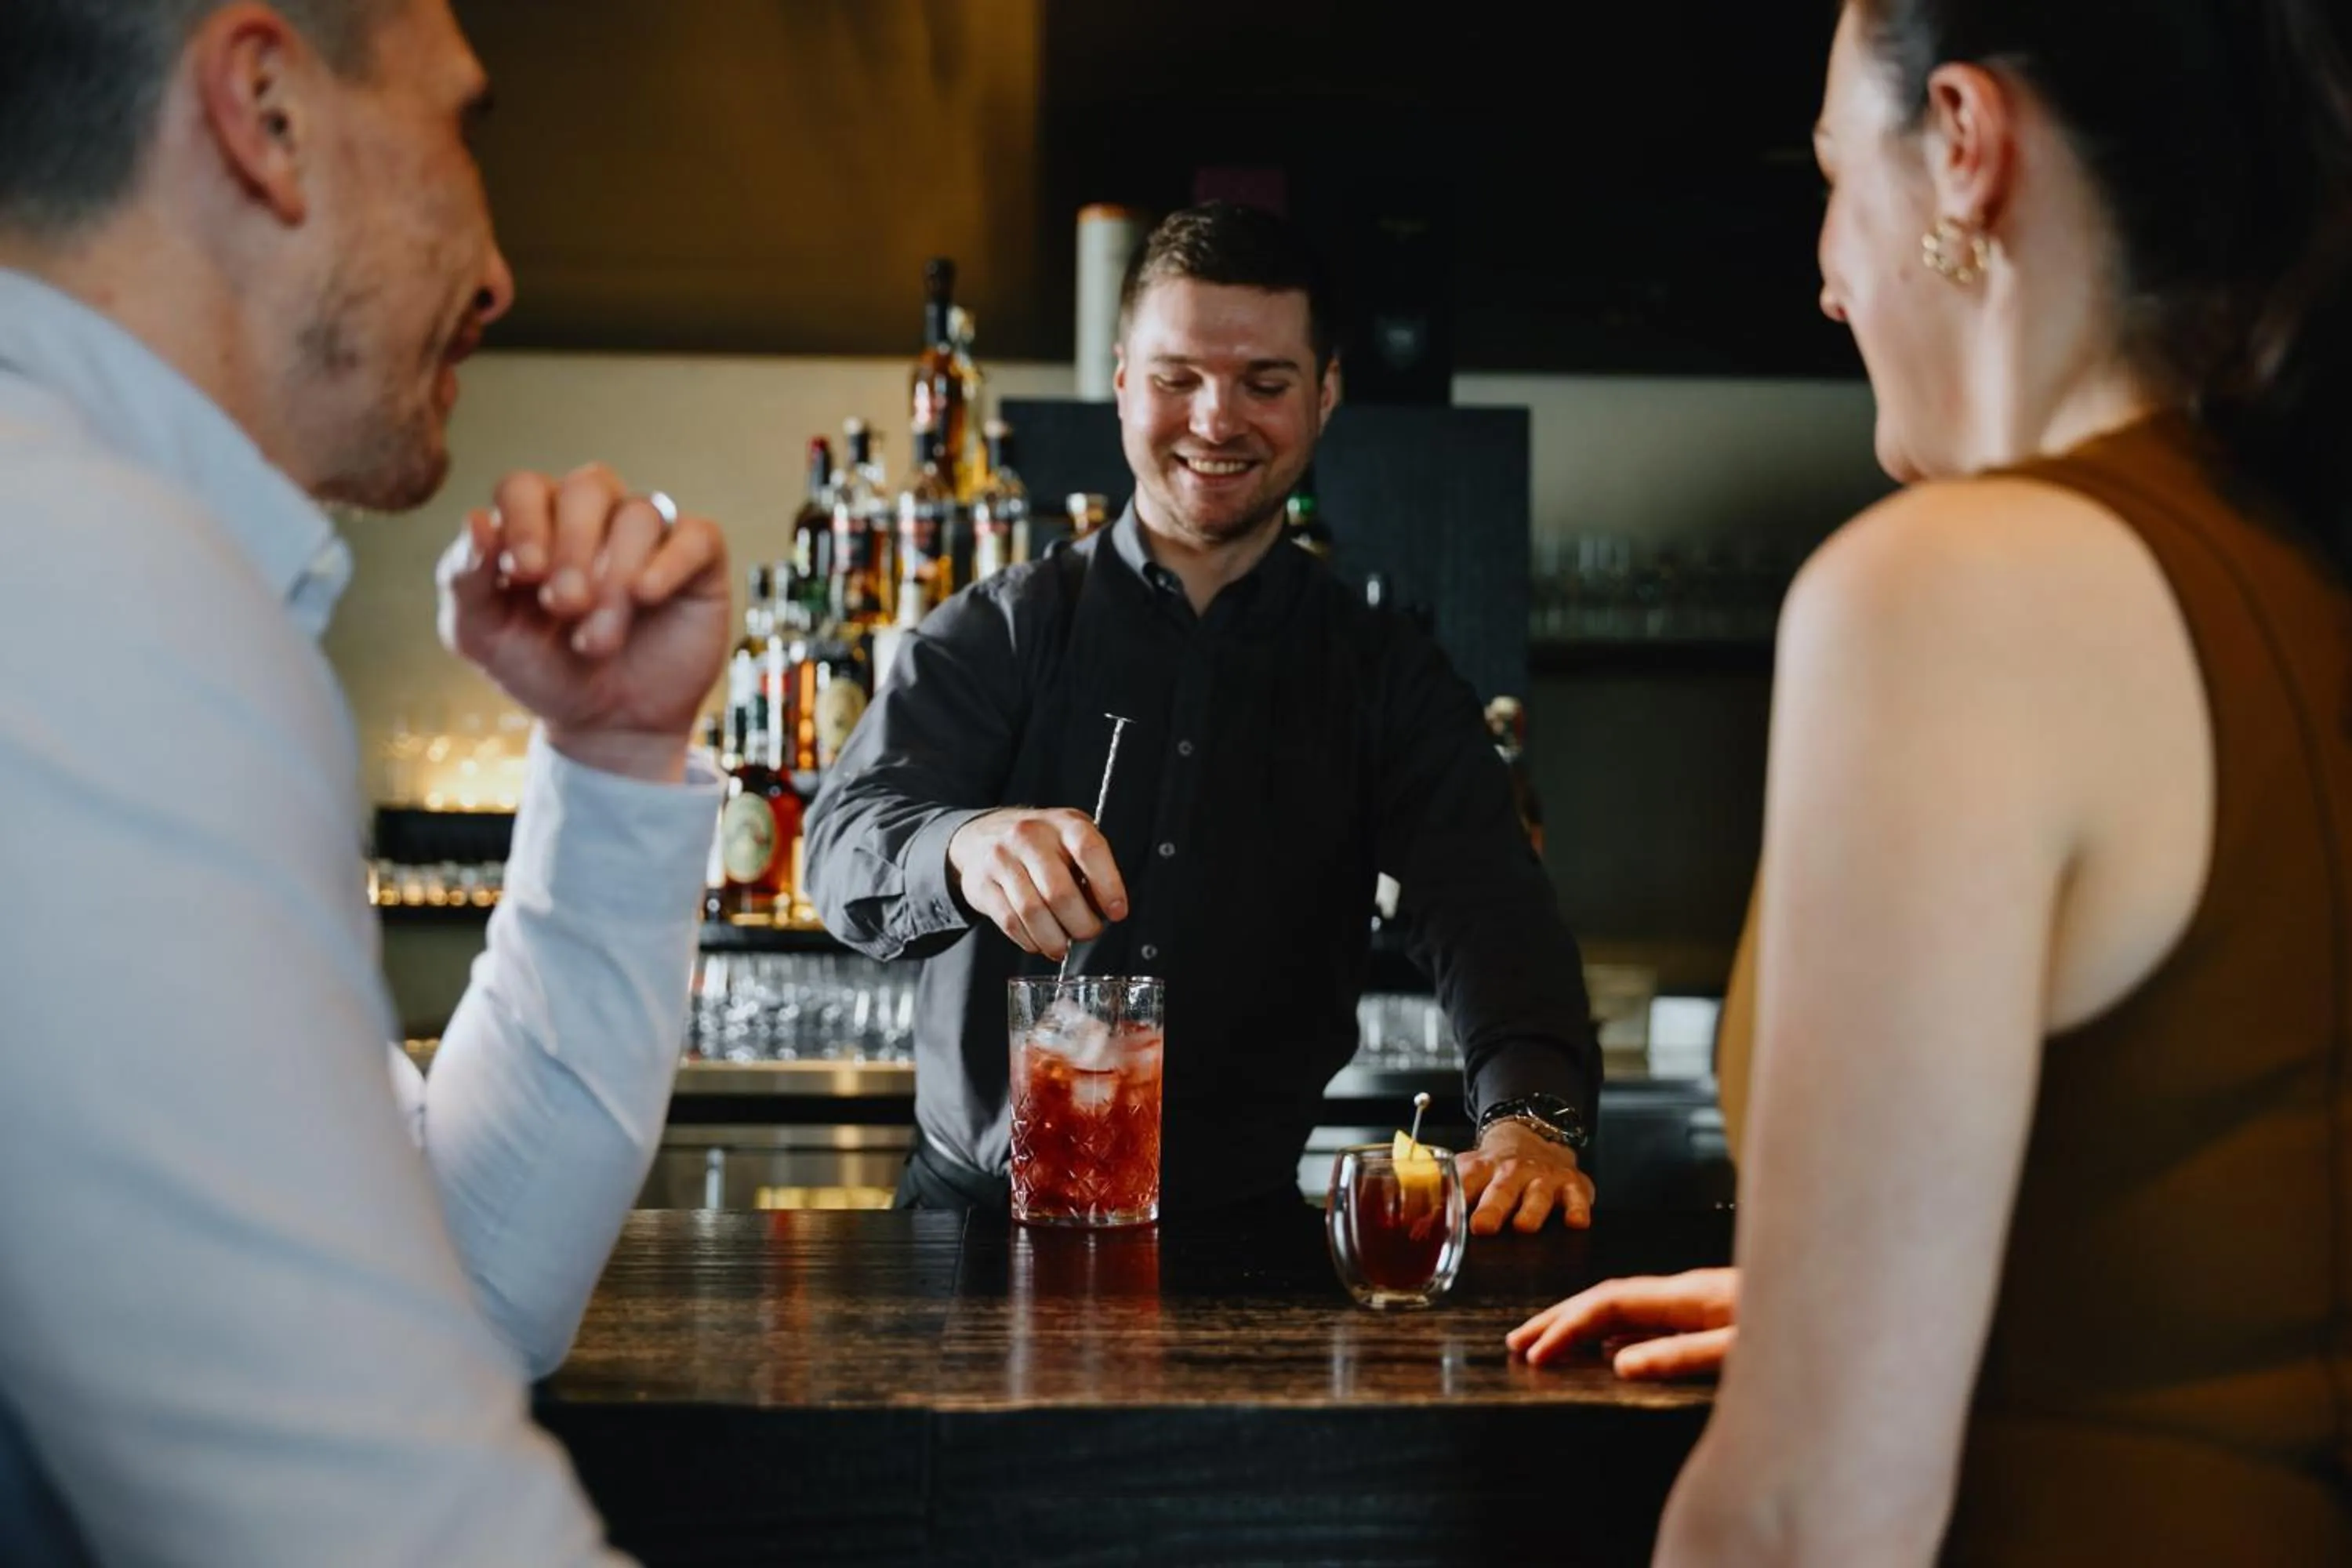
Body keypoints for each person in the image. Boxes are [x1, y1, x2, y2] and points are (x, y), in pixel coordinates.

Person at [1510, 1, 2352, 1561]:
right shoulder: (2295, 560)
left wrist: (1840, 1387)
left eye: (1837, 178)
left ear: (1966, 148)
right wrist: (1882, 1286)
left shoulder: (1954, 591)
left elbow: (1810, 1517)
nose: (1829, 276)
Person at [0, 1, 732, 1561]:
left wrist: (610, 763)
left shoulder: (121, 571)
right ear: (265, 110)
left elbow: (466, 1284)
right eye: (460, 122)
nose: (500, 268)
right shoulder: (82, 587)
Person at [804, 201, 1600, 1226]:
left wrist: (1529, 1124)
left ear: (1325, 397)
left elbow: (1496, 917)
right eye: (1178, 379)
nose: (1216, 420)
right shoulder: (1002, 630)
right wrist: (964, 847)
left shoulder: (1382, 675)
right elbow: (841, 843)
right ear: (1126, 385)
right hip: (969, 1243)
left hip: (1239, 1249)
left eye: (1264, 384)